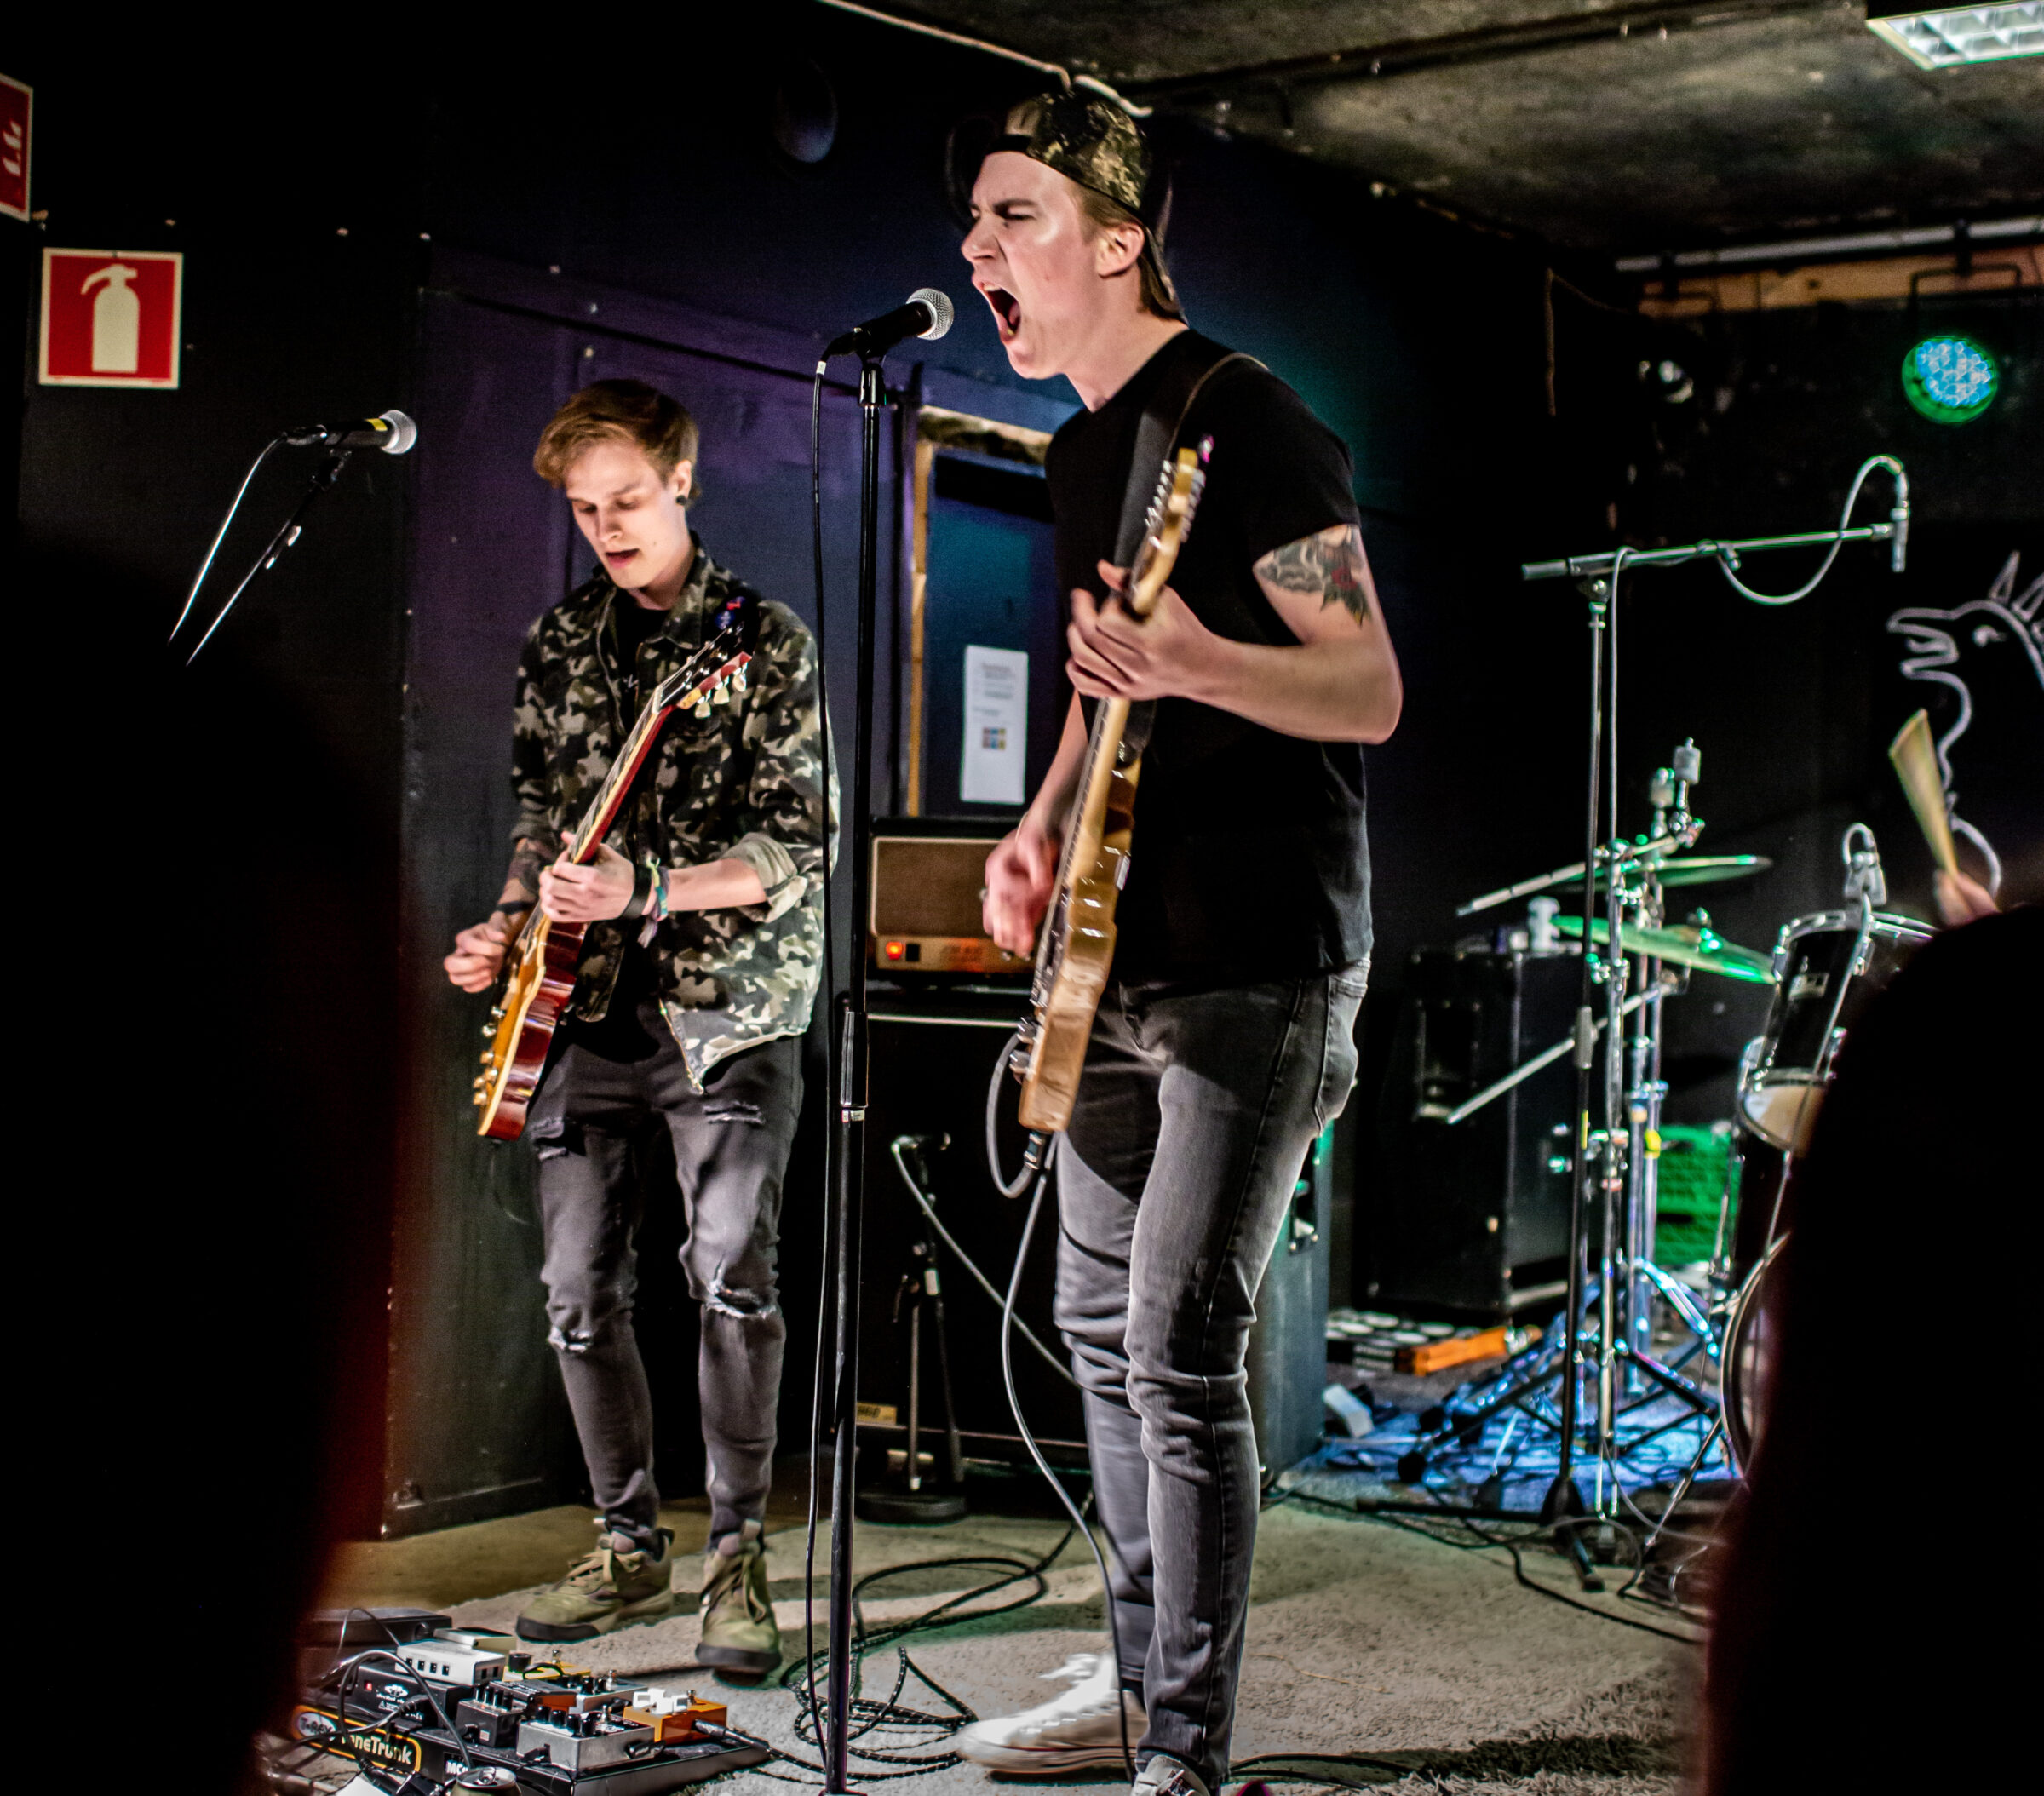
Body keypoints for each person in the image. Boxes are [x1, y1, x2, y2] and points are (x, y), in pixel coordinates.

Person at [955, 94, 1404, 1796]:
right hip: (1113, 962)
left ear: (1120, 236)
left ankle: (1189, 1751)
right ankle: (1140, 1686)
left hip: (1259, 964)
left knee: (1178, 1343)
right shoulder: (1082, 452)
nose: (980, 251)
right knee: (1094, 1324)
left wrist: (1203, 661)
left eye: (1015, 215)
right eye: (973, 225)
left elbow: (1366, 687)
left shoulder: (1252, 422)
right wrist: (1039, 823)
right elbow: (1105, 683)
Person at [443, 380, 834, 1671]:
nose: (607, 528)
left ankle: (737, 1560)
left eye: (626, 500)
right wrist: (506, 926)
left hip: (730, 1010)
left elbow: (799, 847)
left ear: (682, 481)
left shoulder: (761, 639)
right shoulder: (561, 639)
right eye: (583, 509)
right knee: (575, 1292)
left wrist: (651, 888)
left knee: (730, 1276)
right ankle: (625, 1542)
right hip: (581, 1007)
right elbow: (542, 822)